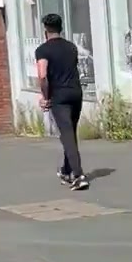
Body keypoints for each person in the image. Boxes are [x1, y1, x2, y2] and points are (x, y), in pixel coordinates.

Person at [36, 12, 89, 191]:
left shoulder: (43, 50)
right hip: (76, 93)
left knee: (66, 135)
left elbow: (43, 75)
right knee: (70, 133)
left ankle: (79, 174)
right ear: (61, 28)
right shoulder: (71, 47)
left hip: (59, 97)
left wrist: (45, 97)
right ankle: (66, 171)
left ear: (46, 30)